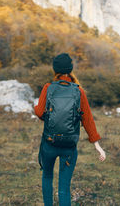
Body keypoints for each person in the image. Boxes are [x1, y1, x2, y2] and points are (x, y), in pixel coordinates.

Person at [34, 53, 106, 206]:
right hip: (69, 146)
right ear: (70, 69)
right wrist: (97, 146)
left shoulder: (48, 88)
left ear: (55, 70)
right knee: (64, 188)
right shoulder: (78, 91)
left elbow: (40, 113)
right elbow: (87, 119)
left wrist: (38, 108)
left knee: (47, 177)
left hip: (49, 144)